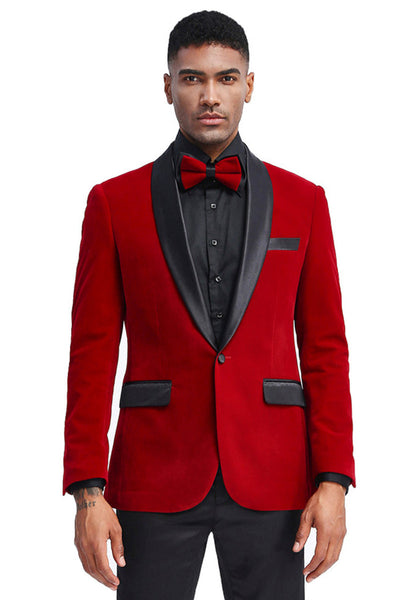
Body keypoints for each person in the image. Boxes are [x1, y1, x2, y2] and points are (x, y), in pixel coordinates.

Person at [63, 10, 355, 600]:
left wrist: (334, 480)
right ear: (167, 86)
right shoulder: (113, 203)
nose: (210, 96)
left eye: (226, 78)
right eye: (192, 78)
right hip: (153, 473)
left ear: (250, 85)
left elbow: (325, 347)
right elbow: (91, 354)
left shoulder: (304, 201)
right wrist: (87, 492)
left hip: (275, 475)